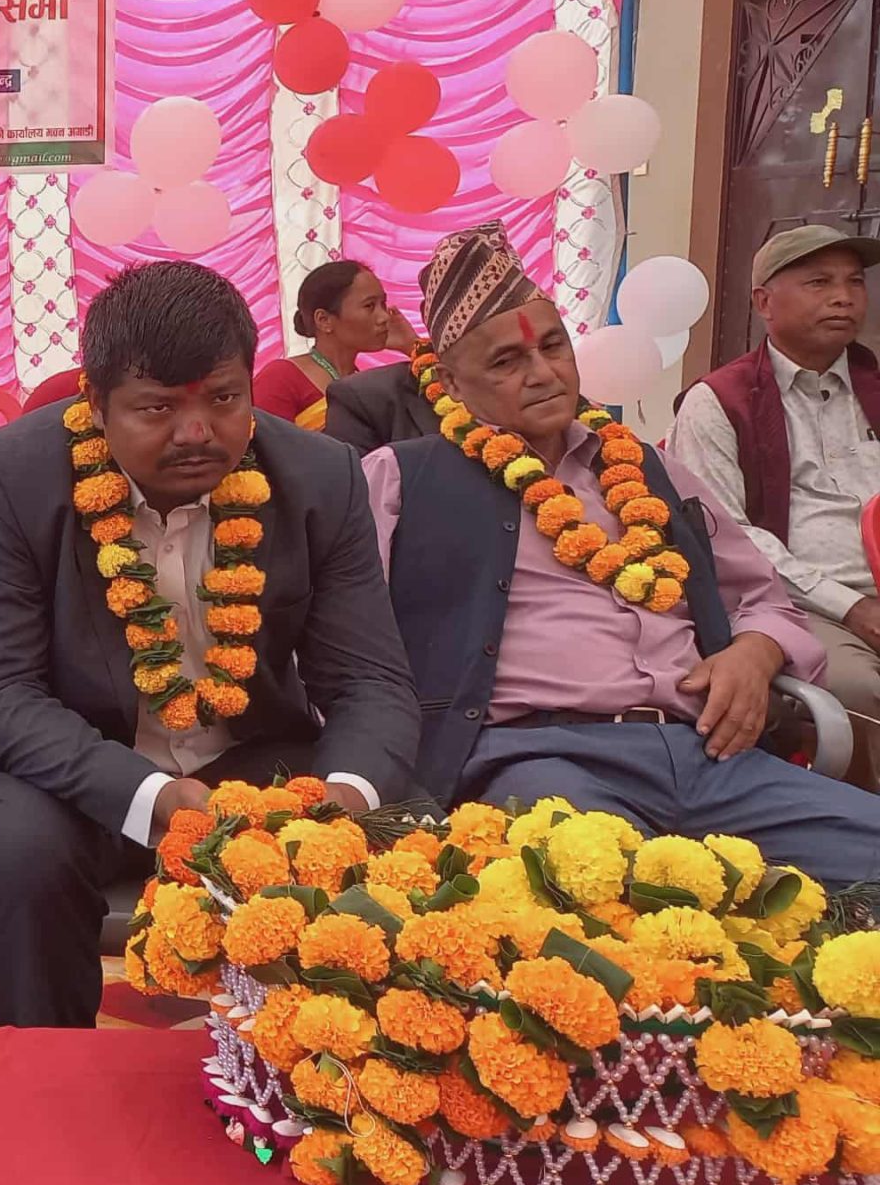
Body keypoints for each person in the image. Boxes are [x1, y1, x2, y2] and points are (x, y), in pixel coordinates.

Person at [0, 260, 418, 1028]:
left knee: (392, 837)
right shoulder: (7, 476)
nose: (196, 431)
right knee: (24, 850)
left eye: (224, 398)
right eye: (157, 407)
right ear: (96, 402)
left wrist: (341, 800)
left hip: (248, 756)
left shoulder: (319, 475)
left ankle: (321, 1073)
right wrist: (156, 798)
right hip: (58, 761)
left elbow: (370, 680)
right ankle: (41, 1075)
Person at [367, 224, 880, 885]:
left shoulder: (648, 469)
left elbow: (764, 597)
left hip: (712, 755)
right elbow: (346, 650)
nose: (544, 373)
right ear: (451, 384)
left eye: (554, 346)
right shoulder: (402, 480)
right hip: (540, 760)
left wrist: (756, 653)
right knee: (608, 894)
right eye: (506, 362)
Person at [674, 224, 880, 788]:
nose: (843, 298)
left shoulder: (873, 383)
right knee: (859, 690)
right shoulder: (718, 401)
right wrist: (853, 607)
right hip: (799, 604)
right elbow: (729, 537)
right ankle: (860, 831)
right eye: (819, 283)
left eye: (854, 283)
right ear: (764, 302)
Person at [254, 258, 416, 430]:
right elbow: (265, 444)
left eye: (383, 304)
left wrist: (412, 346)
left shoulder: (370, 385)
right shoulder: (281, 378)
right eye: (369, 306)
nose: (384, 317)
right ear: (324, 320)